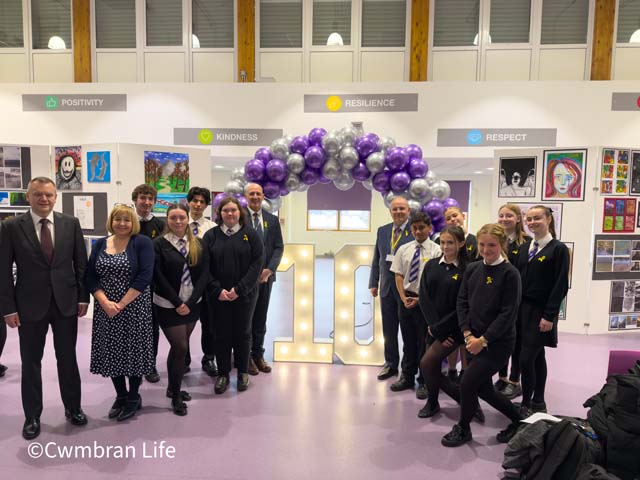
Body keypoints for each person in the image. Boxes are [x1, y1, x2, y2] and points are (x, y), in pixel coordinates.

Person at [0, 177, 89, 440]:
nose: (44, 199)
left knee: (68, 360)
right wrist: (8, 308)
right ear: (28, 197)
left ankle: (73, 408)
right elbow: (3, 271)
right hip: (28, 306)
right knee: (31, 363)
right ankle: (32, 417)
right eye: (38, 194)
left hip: (65, 304)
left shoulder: (70, 223)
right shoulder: (11, 227)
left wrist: (83, 298)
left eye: (49, 195)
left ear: (55, 197)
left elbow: (80, 263)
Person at [441, 223, 524, 447]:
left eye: (492, 245)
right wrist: (467, 333)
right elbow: (462, 301)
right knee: (485, 390)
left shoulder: (510, 274)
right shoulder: (473, 268)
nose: (486, 249)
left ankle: (463, 428)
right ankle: (521, 420)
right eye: (482, 244)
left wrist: (483, 340)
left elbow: (508, 314)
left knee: (467, 382)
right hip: (473, 340)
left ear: (502, 245)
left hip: (497, 343)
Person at [86, 204, 154, 422]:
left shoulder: (142, 242)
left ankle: (134, 397)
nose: (122, 223)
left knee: (133, 352)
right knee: (111, 352)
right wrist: (105, 302)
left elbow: (145, 275)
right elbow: (90, 276)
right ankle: (121, 395)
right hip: (106, 308)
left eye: (126, 219)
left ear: (133, 222)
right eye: (118, 219)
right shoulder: (100, 244)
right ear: (111, 221)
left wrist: (121, 303)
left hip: (134, 307)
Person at [203, 197, 264, 394]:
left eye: (233, 210)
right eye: (226, 211)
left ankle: (243, 372)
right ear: (219, 213)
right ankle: (223, 374)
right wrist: (217, 290)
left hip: (245, 295)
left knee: (243, 333)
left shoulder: (251, 235)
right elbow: (205, 267)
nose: (230, 214)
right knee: (220, 334)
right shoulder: (211, 236)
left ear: (240, 213)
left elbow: (257, 265)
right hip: (217, 296)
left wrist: (239, 290)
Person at [153, 203, 209, 416]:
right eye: (173, 218)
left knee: (179, 349)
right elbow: (157, 276)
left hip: (193, 303)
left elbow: (204, 273)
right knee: (180, 348)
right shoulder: (158, 244)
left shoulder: (198, 243)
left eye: (181, 218)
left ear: (188, 219)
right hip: (168, 304)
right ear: (167, 220)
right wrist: (178, 302)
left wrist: (192, 301)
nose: (178, 221)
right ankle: (176, 396)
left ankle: (171, 387)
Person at [515, 206, 569, 416]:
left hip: (541, 313)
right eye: (529, 219)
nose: (532, 222)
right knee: (537, 356)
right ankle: (539, 399)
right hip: (521, 311)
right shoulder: (524, 248)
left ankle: (526, 402)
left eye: (537, 218)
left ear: (548, 219)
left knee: (526, 358)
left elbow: (560, 284)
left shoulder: (558, 249)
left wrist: (549, 315)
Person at [418, 226, 473, 418]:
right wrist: (434, 327)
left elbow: (463, 305)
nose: (445, 246)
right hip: (433, 328)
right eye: (442, 242)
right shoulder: (431, 265)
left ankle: (462, 398)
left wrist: (441, 329)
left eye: (450, 242)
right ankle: (433, 402)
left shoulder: (468, 269)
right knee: (429, 366)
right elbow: (424, 297)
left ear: (461, 243)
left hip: (454, 330)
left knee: (426, 364)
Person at [389, 212, 441, 399]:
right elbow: (398, 275)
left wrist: (421, 300)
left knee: (424, 344)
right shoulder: (404, 249)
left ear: (429, 228)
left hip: (425, 302)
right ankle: (407, 377)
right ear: (411, 230)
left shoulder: (436, 250)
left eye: (422, 228)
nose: (418, 231)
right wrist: (403, 298)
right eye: (415, 228)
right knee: (408, 341)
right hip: (406, 301)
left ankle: (424, 381)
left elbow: (436, 281)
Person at [369, 196, 414, 382]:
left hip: (407, 290)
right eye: (395, 209)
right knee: (389, 330)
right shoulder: (383, 231)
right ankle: (391, 364)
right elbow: (377, 258)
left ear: (408, 211)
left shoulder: (415, 230)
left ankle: (408, 368)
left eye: (402, 208)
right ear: (390, 211)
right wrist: (373, 282)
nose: (398, 212)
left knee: (408, 331)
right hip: (387, 288)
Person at [245, 183, 284, 376]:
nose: (255, 197)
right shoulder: (238, 218)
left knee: (260, 317)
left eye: (258, 194)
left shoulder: (272, 220)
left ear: (263, 196)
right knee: (246, 319)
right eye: (251, 194)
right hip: (244, 281)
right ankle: (245, 358)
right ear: (246, 196)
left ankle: (258, 354)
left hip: (265, 279)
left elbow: (278, 247)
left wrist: (269, 270)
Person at [437, 206, 478, 384]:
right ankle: (452, 369)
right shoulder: (443, 242)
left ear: (463, 216)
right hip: (448, 296)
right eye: (448, 218)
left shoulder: (475, 241)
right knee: (453, 339)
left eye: (455, 216)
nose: (453, 219)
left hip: (468, 296)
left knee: (464, 339)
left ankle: (465, 371)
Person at [495, 204, 531, 399]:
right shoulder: (496, 240)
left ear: (518, 218)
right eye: (501, 216)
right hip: (497, 299)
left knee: (516, 341)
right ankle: (501, 377)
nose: (504, 219)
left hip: (518, 300)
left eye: (509, 215)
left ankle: (515, 380)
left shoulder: (526, 243)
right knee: (500, 339)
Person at [132, 184, 165, 383]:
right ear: (135, 199)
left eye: (150, 199)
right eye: (143, 198)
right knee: (132, 325)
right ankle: (134, 361)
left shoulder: (160, 225)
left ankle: (150, 364)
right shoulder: (127, 223)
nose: (146, 202)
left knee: (153, 326)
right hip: (130, 284)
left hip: (153, 283)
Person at [185, 186, 217, 377]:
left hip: (206, 283)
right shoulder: (179, 223)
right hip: (184, 283)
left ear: (206, 205)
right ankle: (184, 359)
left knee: (209, 323)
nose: (198, 204)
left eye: (202, 202)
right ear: (188, 202)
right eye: (194, 200)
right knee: (184, 324)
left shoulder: (212, 228)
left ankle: (209, 358)